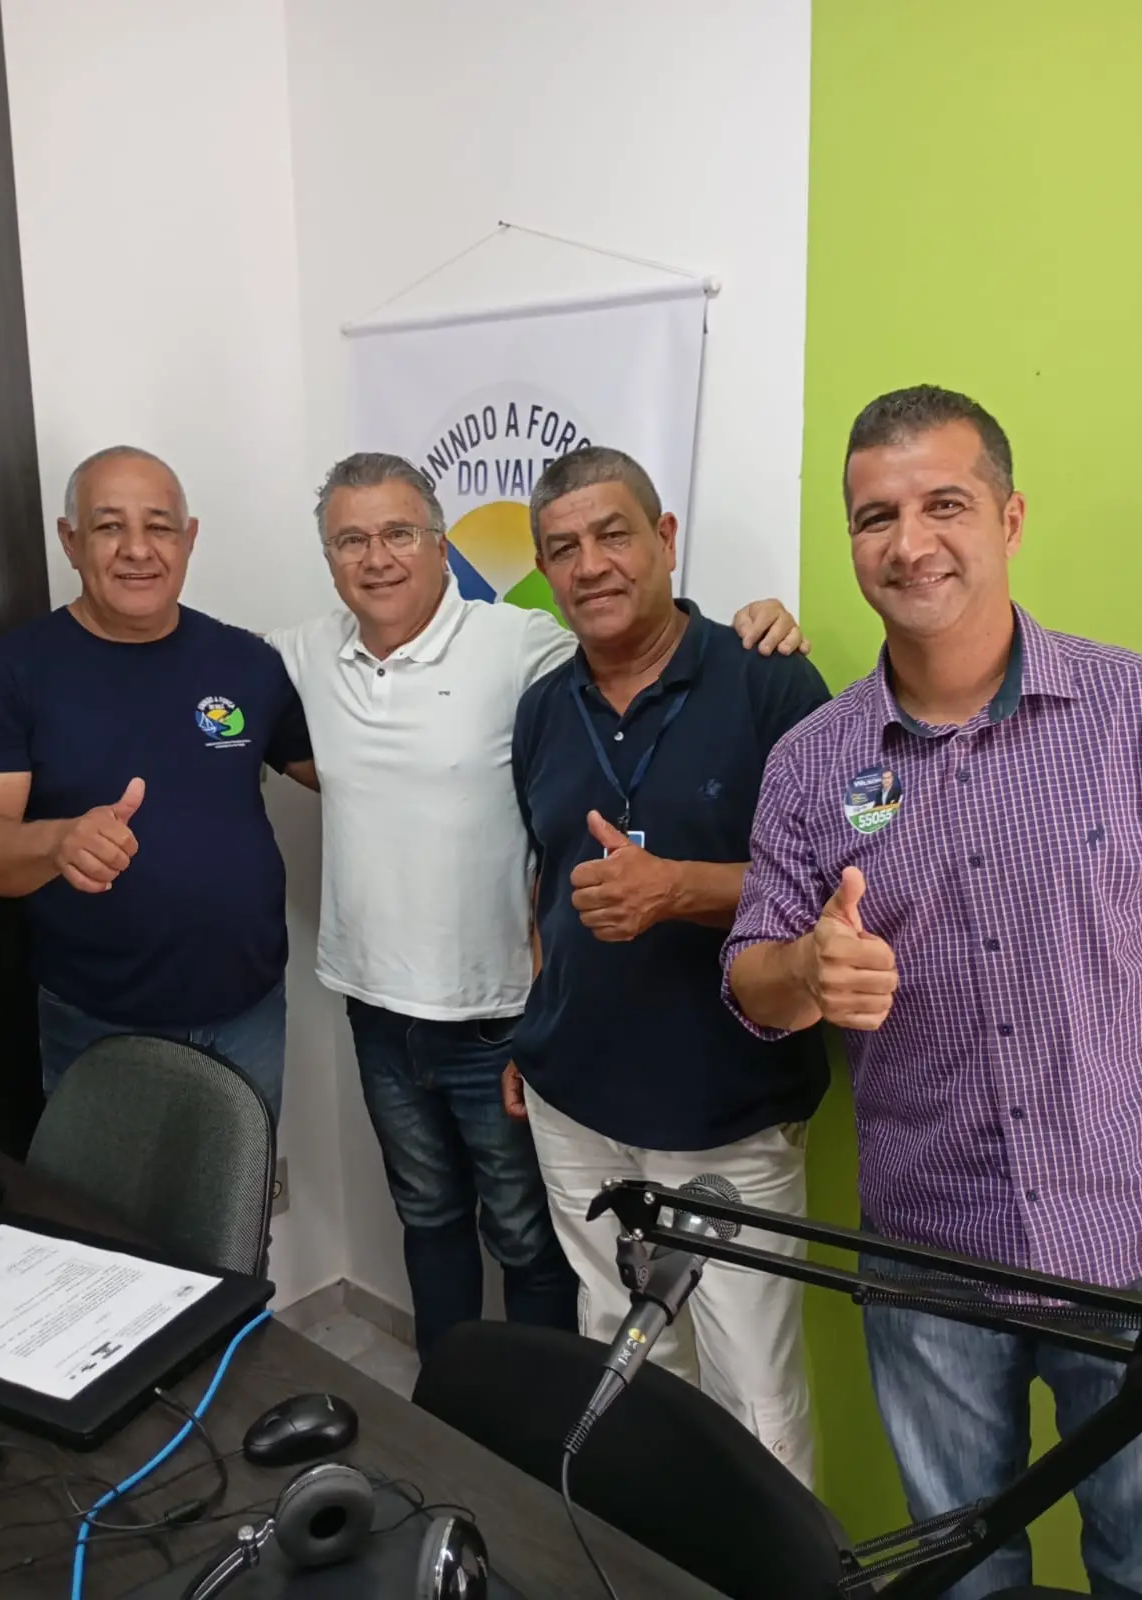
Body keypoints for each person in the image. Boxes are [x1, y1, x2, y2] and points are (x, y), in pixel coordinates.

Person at [724, 385, 1142, 1598]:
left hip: (1129, 1239)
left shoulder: (1135, 712)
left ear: (1008, 518)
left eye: (944, 505)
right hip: (926, 1254)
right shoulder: (810, 762)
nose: (909, 542)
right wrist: (804, 970)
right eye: (876, 516)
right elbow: (752, 976)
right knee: (959, 1575)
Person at [267, 450, 808, 1361]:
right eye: (350, 541)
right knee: (430, 1218)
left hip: (501, 1018)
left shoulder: (525, 646)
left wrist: (762, 619)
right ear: (327, 559)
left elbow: (649, 637)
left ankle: (531, 1431)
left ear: (442, 544)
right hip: (383, 1009)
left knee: (532, 1244)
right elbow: (217, 692)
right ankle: (448, 1416)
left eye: (399, 533)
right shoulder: (306, 655)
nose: (377, 557)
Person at [505, 446, 830, 1485]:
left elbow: (834, 887)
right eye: (563, 548)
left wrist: (677, 887)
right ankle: (643, 1557)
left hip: (724, 1108)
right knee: (622, 1364)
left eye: (613, 534)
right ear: (543, 570)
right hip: (573, 1099)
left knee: (754, 1400)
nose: (590, 564)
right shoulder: (541, 708)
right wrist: (534, 1023)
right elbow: (546, 878)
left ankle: (767, 1561)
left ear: (665, 538)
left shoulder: (767, 677)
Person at [0, 447, 316, 1120]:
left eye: (159, 526)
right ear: (70, 540)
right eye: (109, 526)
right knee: (103, 1195)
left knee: (241, 1191)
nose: (138, 549)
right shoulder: (10, 672)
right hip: (99, 1027)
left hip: (250, 1012)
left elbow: (338, 772)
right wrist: (58, 841)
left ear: (189, 538)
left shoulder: (246, 661)